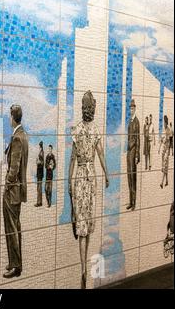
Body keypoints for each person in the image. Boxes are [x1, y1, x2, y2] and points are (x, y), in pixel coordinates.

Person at [68, 91, 109, 289]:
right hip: (90, 176)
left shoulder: (77, 130)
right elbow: (100, 154)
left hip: (82, 177)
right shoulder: (94, 131)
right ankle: (84, 267)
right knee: (86, 224)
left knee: (82, 225)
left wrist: (69, 181)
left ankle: (84, 266)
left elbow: (73, 159)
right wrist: (107, 173)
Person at [3, 104, 28, 279]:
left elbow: (14, 167)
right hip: (18, 191)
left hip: (12, 191)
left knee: (11, 228)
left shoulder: (18, 138)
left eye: (9, 116)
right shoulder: (22, 135)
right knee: (15, 226)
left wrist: (7, 183)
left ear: (13, 118)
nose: (9, 119)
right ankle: (16, 262)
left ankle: (15, 266)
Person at [126, 99, 140, 211]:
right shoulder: (130, 121)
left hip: (133, 151)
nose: (130, 110)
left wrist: (137, 155)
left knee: (133, 177)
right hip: (128, 152)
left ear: (135, 108)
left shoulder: (136, 121)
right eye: (130, 108)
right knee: (129, 177)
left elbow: (138, 139)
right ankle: (131, 201)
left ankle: (134, 202)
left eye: (132, 108)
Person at [158, 115, 170, 189]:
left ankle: (162, 182)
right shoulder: (163, 130)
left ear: (166, 122)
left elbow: (168, 141)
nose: (164, 123)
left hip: (166, 150)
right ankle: (167, 181)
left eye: (165, 122)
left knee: (164, 166)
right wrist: (159, 149)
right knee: (165, 166)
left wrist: (168, 152)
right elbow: (161, 140)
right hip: (163, 150)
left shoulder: (168, 130)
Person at [34, 141, 44, 207]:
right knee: (38, 187)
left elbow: (41, 162)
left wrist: (37, 161)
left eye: (39, 147)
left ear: (40, 147)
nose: (39, 148)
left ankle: (39, 202)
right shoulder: (41, 153)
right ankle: (39, 202)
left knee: (39, 188)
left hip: (40, 173)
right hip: (39, 173)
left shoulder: (41, 153)